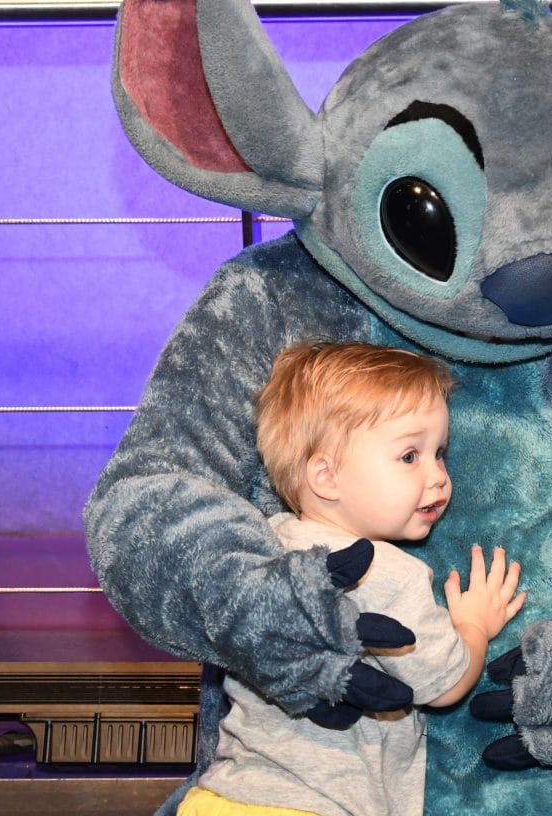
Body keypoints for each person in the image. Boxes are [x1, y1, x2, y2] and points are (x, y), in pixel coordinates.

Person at [179, 341, 527, 816]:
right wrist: (475, 627)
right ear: (326, 476)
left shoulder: (268, 545)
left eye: (439, 453)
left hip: (222, 796)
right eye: (410, 456)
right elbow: (444, 686)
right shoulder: (385, 572)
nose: (439, 476)